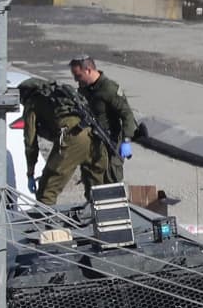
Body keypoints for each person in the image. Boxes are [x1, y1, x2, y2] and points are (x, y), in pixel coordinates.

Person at [18, 77, 95, 206]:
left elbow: (30, 142)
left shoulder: (32, 102)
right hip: (93, 134)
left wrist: (30, 173)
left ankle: (46, 225)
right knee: (97, 189)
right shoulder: (58, 95)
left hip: (71, 136)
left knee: (47, 191)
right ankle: (107, 222)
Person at [69, 56, 138, 190]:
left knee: (112, 184)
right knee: (91, 183)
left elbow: (127, 115)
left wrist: (126, 140)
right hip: (91, 144)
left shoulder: (109, 89)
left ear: (88, 70)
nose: (76, 79)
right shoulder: (84, 89)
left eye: (78, 75)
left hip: (110, 144)